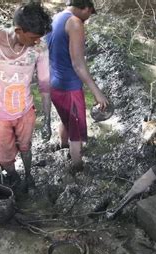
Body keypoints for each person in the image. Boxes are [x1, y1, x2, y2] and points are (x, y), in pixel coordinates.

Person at [0, 3, 52, 189]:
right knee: (3, 154)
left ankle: (28, 175)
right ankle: (14, 176)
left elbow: (44, 84)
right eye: (33, 37)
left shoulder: (39, 48)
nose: (37, 41)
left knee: (26, 147)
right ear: (19, 30)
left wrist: (48, 120)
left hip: (24, 111)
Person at [46, 0, 109, 172]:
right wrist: (97, 92)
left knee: (66, 120)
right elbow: (78, 64)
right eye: (90, 13)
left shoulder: (55, 17)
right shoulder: (75, 23)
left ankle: (63, 146)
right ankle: (77, 167)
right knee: (77, 132)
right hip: (69, 86)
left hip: (53, 83)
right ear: (86, 8)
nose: (88, 18)